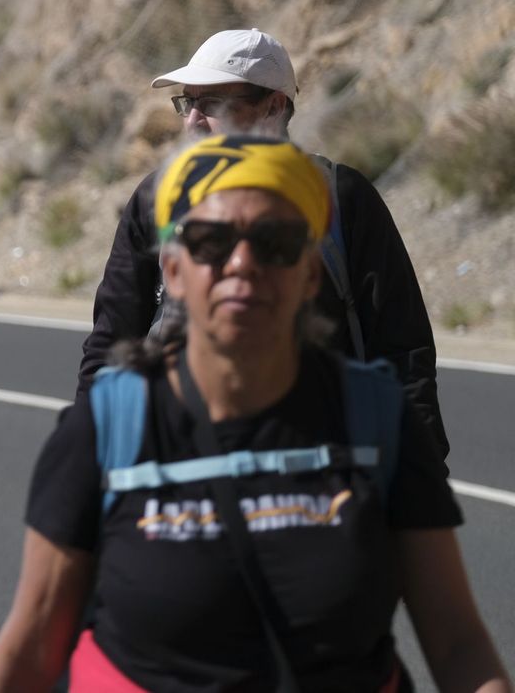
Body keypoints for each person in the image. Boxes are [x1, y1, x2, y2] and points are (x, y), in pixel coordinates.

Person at [0, 135, 508, 693]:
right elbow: (31, 651)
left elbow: (458, 644)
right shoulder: (107, 429)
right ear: (174, 272)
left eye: (275, 242)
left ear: (310, 276)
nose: (242, 263)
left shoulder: (378, 420)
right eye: (210, 241)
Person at [78, 28, 447, 458]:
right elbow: (111, 341)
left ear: (273, 106)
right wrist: (88, 457)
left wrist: (420, 477)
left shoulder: (341, 198)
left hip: (322, 481)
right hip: (186, 475)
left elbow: (402, 348)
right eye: (187, 102)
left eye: (211, 102)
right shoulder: (154, 200)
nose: (192, 120)